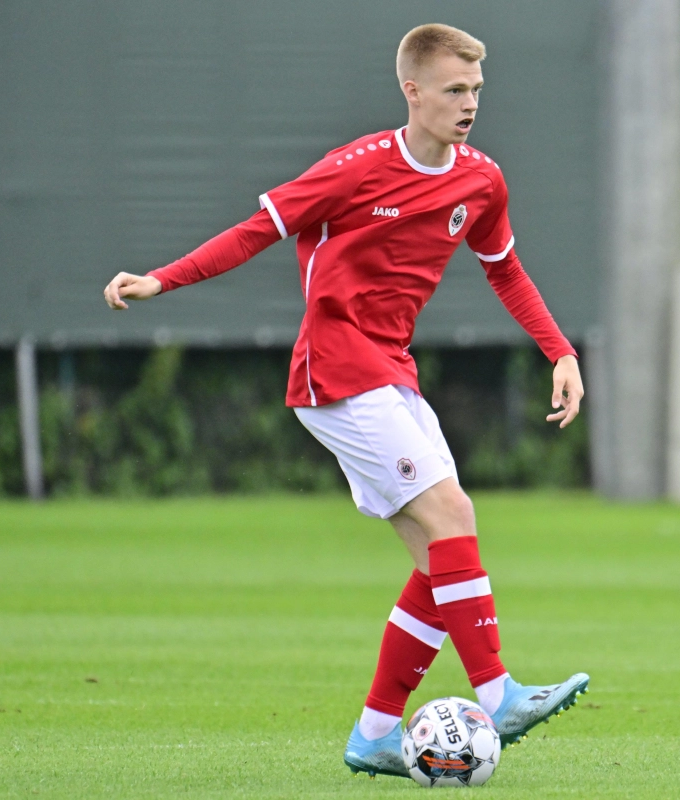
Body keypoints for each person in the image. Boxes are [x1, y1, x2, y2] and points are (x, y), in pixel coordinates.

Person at [103, 23, 588, 779]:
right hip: (336, 372)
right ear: (413, 91)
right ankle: (497, 694)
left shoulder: (481, 180)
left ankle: (372, 735)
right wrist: (162, 279)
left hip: (389, 373)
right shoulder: (354, 168)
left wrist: (559, 351)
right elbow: (254, 232)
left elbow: (506, 271)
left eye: (477, 92)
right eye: (455, 90)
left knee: (443, 560)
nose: (469, 105)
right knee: (455, 518)